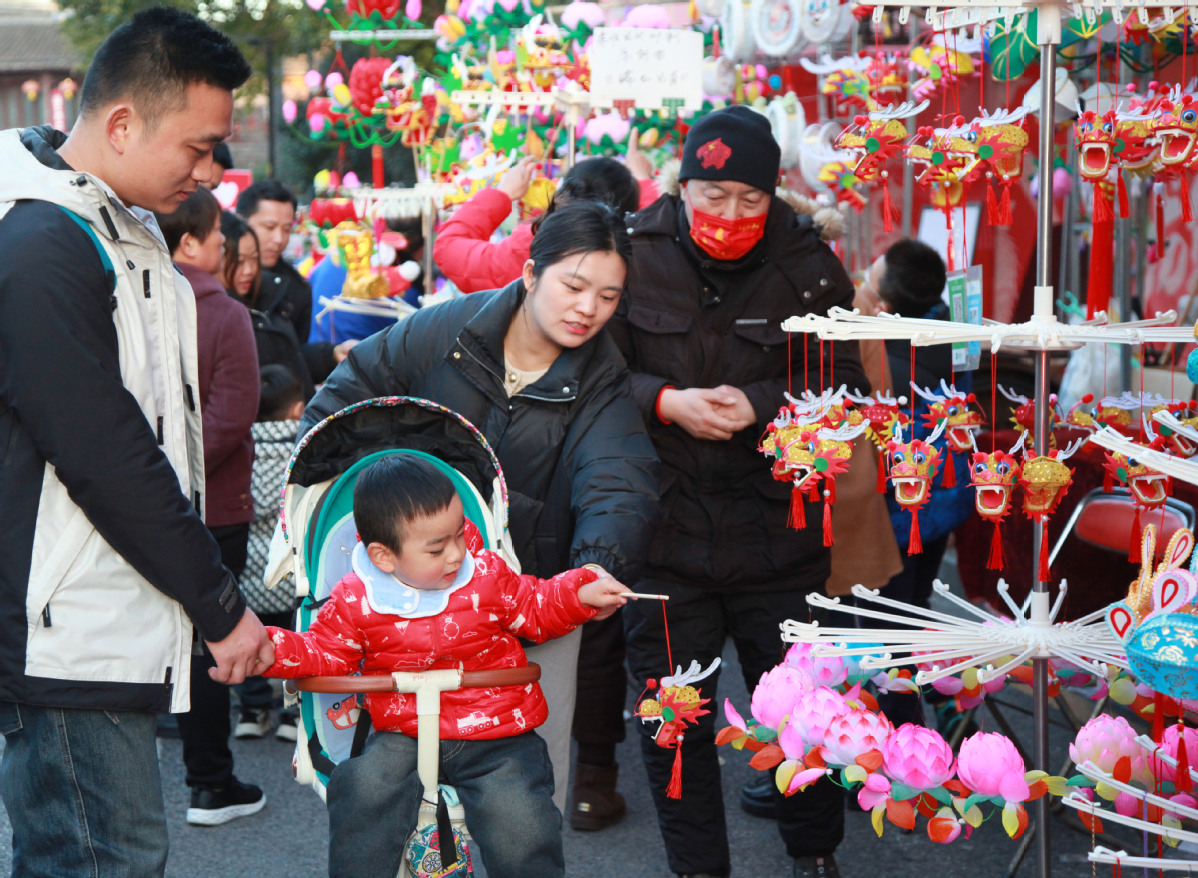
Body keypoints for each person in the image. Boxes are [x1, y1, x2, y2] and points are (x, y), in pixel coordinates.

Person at [0, 9, 274, 875]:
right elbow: (106, 451)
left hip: (100, 613)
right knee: (104, 859)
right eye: (199, 148)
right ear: (122, 124)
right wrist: (217, 603)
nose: (210, 174)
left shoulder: (112, 222)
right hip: (69, 628)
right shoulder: (43, 242)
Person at [299, 200, 660, 817]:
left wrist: (596, 564)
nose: (588, 309)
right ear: (530, 273)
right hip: (404, 600)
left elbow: (618, 476)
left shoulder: (603, 374)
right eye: (574, 286)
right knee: (395, 792)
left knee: (524, 804)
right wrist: (359, 515)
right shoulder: (444, 331)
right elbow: (340, 408)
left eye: (608, 296)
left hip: (529, 603)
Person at [606, 105, 867, 878]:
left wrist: (760, 404)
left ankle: (816, 854)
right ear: (681, 185)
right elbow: (590, 374)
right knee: (673, 721)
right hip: (662, 535)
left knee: (805, 713)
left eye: (748, 199)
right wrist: (664, 400)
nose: (728, 213)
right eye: (711, 195)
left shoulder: (809, 265)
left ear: (773, 191)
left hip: (779, 534)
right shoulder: (630, 253)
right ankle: (697, 869)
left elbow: (846, 383)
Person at [262, 454, 631, 878]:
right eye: (437, 548)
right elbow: (325, 652)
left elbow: (534, 606)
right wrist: (270, 649)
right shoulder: (356, 598)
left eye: (460, 534)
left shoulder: (486, 573)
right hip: (404, 730)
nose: (457, 554)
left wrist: (580, 593)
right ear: (383, 556)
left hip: (494, 727)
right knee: (362, 789)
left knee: (521, 817)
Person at [155, 186, 266, 824]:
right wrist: (183, 478)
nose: (226, 247)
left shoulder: (134, 299)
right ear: (191, 242)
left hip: (141, 504)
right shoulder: (223, 313)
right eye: (219, 237)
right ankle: (211, 782)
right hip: (216, 507)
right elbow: (232, 416)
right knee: (212, 641)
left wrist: (149, 483)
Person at [866, 238, 974, 731]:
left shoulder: (883, 357)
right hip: (943, 500)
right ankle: (949, 705)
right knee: (912, 608)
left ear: (885, 305)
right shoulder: (952, 333)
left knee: (889, 619)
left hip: (899, 507)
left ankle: (903, 729)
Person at [433, 155, 646, 294]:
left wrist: (502, 195)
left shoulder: (534, 246)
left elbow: (448, 248)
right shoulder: (640, 253)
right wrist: (645, 183)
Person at [235, 364, 307, 742]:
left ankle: (252, 710)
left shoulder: (237, 448)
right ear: (298, 409)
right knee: (294, 640)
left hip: (247, 571)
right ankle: (291, 715)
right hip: (290, 571)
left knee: (248, 642)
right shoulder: (303, 452)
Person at [236, 180, 353, 388]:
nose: (279, 239)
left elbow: (294, 358)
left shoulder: (297, 288)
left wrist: (332, 354)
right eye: (269, 227)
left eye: (286, 229)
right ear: (240, 221)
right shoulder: (221, 277)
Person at [222, 210, 316, 403]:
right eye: (239, 261)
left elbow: (291, 357)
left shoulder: (278, 292)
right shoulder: (219, 317)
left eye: (254, 259)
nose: (249, 270)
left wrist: (329, 355)